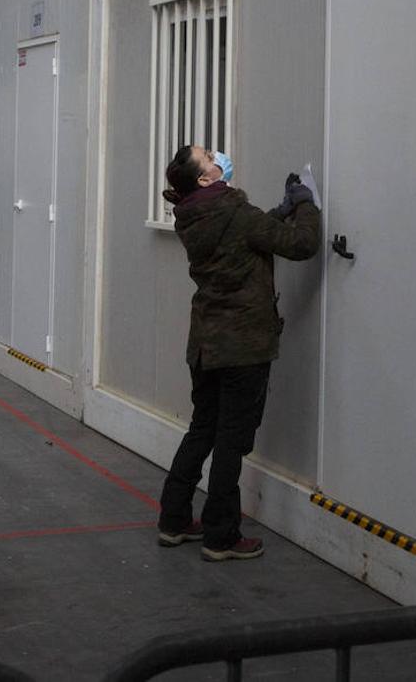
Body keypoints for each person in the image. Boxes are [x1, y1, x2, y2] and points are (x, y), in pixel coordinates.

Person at [156, 145, 320, 561]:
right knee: (231, 442)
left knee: (202, 430)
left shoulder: (191, 214)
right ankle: (221, 536)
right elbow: (301, 245)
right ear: (206, 179)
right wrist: (305, 206)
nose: (218, 156)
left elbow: (245, 235)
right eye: (209, 157)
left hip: (206, 345)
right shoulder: (235, 212)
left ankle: (173, 521)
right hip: (243, 346)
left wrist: (278, 211)